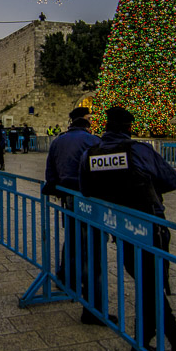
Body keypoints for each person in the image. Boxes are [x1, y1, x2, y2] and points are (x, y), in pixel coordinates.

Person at [78, 107, 176, 351]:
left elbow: (86, 190)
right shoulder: (137, 150)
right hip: (149, 225)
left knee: (147, 283)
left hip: (120, 228)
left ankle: (150, 345)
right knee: (151, 285)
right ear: (128, 127)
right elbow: (172, 180)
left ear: (106, 127)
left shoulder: (91, 154)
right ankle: (173, 343)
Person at [41, 107, 106, 325]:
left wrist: (55, 188)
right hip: (88, 199)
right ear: (87, 125)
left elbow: (50, 170)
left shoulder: (58, 141)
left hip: (67, 197)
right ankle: (93, 306)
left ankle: (65, 276)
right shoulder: (93, 141)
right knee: (91, 250)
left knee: (71, 236)